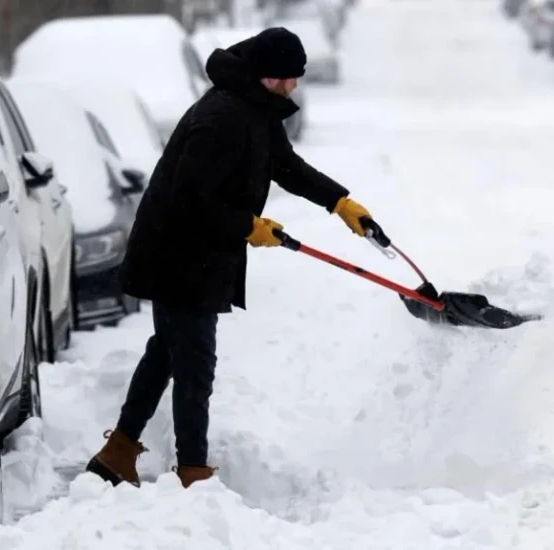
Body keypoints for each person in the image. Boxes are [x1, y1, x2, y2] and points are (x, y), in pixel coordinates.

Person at [85, 27, 372, 489]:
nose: (293, 86)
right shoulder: (221, 118)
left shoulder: (256, 110)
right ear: (264, 75)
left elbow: (287, 166)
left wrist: (340, 203)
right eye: (286, 78)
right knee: (194, 361)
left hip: (195, 255)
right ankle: (192, 474)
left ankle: (117, 452)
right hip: (176, 255)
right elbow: (189, 197)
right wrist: (249, 226)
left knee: (168, 354)